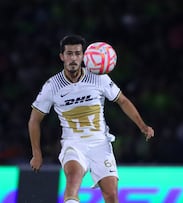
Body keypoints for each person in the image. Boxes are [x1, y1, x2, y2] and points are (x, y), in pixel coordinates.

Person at [28, 34, 154, 203]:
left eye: (77, 53)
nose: (73, 58)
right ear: (62, 56)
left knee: (111, 195)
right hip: (73, 143)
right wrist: (37, 154)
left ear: (84, 56)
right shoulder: (52, 86)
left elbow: (122, 100)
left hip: (100, 144)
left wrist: (142, 125)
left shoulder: (99, 78)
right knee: (73, 180)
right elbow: (34, 120)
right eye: (69, 53)